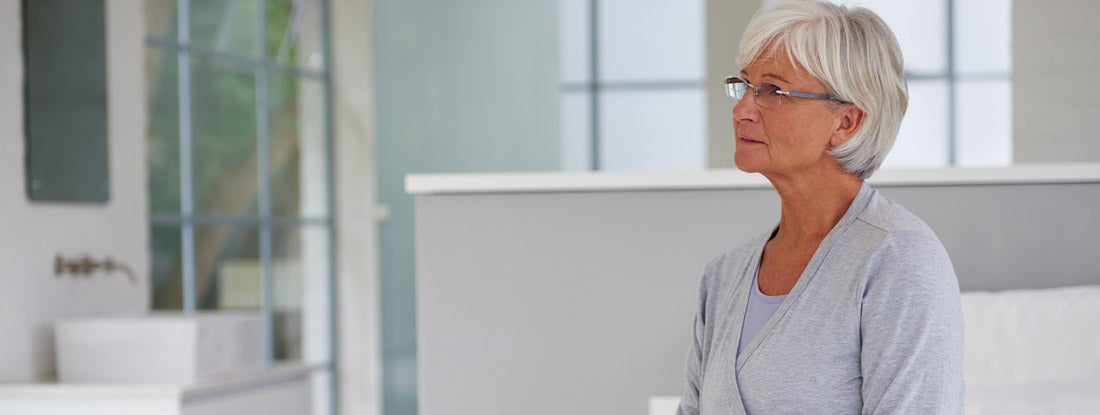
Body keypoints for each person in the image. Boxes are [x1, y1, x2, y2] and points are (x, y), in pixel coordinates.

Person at [676, 1, 964, 413]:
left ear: (846, 122)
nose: (741, 109)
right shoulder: (723, 277)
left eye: (773, 91)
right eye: (744, 85)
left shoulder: (900, 261)